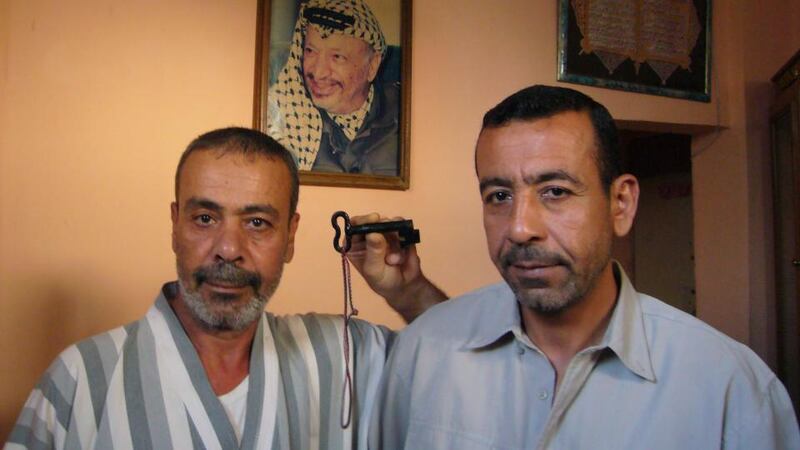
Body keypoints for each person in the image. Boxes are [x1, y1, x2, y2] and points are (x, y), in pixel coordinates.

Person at [368, 85, 800, 449]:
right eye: (499, 196)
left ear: (621, 204)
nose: (520, 229)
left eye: (555, 192)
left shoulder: (731, 390)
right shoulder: (422, 355)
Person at [4, 127, 440, 450]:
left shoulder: (344, 356)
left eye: (257, 223)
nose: (229, 249)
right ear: (175, 225)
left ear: (290, 237)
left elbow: (461, 375)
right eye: (205, 219)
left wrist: (409, 292)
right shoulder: (80, 380)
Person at [267, 0, 400, 175]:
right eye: (310, 51)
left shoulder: (404, 114)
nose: (319, 72)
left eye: (337, 57)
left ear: (373, 66)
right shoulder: (285, 116)